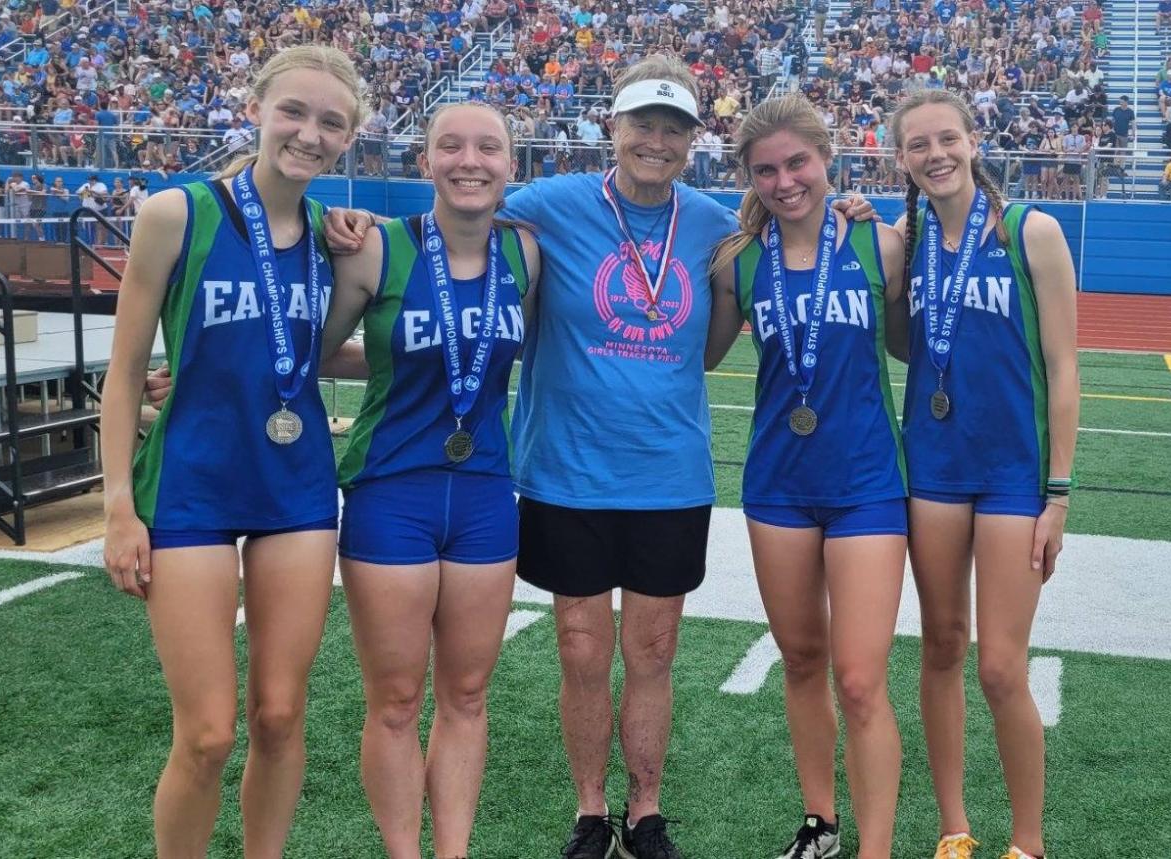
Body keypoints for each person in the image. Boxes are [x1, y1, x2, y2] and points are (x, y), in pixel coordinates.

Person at [323, 54, 877, 859]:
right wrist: (362, 226)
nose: (656, 140)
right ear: (611, 128)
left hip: (670, 472)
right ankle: (591, 812)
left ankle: (645, 810)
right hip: (564, 470)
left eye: (673, 128)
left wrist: (847, 203)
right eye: (642, 124)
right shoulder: (546, 206)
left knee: (652, 652)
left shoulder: (720, 228)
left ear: (693, 141)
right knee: (581, 648)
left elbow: (782, 255)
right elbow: (457, 213)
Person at [100, 46, 366, 859]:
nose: (309, 134)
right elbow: (122, 372)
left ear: (349, 139)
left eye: (332, 122)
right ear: (255, 108)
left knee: (281, 715)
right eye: (294, 111)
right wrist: (116, 505)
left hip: (296, 490)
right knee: (209, 732)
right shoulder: (176, 213)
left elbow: (311, 348)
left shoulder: (339, 238)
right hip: (191, 487)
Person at [317, 102, 541, 859]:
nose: (469, 160)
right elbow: (311, 351)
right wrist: (183, 374)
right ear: (425, 162)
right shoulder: (377, 250)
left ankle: (454, 851)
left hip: (484, 495)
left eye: (488, 147)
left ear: (513, 165)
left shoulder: (527, 256)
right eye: (451, 145)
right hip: (391, 492)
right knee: (396, 700)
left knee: (469, 695)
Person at [704, 95, 908, 859]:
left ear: (827, 160)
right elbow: (698, 356)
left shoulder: (878, 243)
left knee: (858, 678)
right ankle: (820, 821)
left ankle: (874, 848)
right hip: (778, 484)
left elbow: (914, 352)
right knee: (801, 659)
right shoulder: (737, 262)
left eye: (797, 163)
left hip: (867, 484)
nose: (785, 181)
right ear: (749, 178)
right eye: (766, 170)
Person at [889, 89, 1079, 859]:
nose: (934, 155)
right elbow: (908, 345)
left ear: (974, 140)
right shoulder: (906, 237)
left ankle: (1027, 843)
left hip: (1012, 474)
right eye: (917, 146)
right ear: (900, 158)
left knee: (1000, 666)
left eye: (946, 139)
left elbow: (1065, 368)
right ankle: (954, 827)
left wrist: (1059, 493)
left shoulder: (1032, 229)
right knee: (940, 646)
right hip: (932, 466)